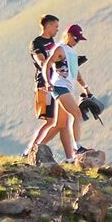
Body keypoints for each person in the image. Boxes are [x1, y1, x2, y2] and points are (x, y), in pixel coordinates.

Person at [44, 23, 88, 161]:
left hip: (67, 88)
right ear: (68, 35)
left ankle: (37, 147)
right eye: (75, 38)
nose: (77, 42)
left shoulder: (72, 52)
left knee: (59, 124)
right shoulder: (60, 49)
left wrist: (86, 88)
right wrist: (47, 82)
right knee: (77, 115)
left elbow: (76, 73)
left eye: (79, 40)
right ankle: (78, 147)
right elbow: (47, 64)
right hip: (59, 87)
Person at [23, 15, 61, 157]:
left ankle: (35, 148)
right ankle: (32, 149)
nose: (57, 29)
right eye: (56, 26)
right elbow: (41, 61)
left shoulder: (52, 42)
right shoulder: (36, 43)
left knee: (56, 120)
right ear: (48, 26)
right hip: (44, 83)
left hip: (55, 82)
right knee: (50, 120)